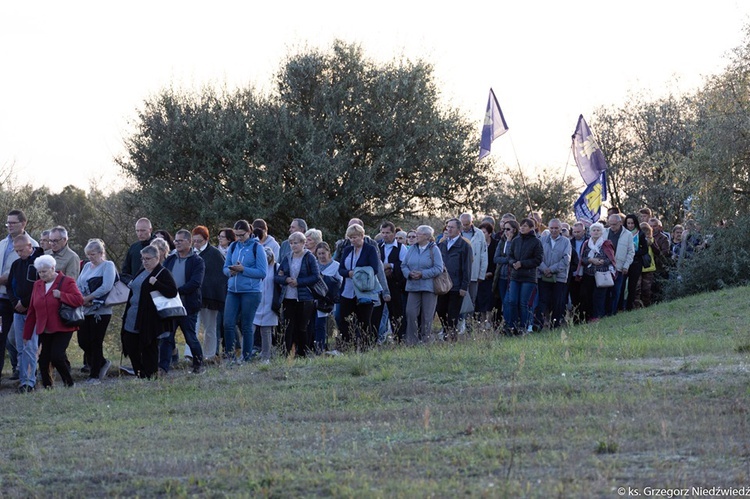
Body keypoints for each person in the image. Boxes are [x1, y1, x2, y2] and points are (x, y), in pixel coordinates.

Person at [23, 254, 84, 388]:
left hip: (62, 326)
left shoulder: (67, 281)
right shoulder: (37, 285)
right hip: (44, 328)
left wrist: (61, 295)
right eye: (39, 272)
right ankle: (48, 387)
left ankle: (69, 383)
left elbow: (79, 300)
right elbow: (32, 310)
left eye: (44, 271)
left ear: (53, 268)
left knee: (57, 356)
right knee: (43, 360)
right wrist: (27, 334)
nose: (41, 275)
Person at [121, 245, 178, 378]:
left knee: (149, 347)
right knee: (130, 343)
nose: (145, 261)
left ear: (157, 258)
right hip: (133, 315)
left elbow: (172, 292)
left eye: (148, 259)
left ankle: (150, 376)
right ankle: (140, 373)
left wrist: (157, 283)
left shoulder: (163, 273)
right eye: (143, 259)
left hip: (150, 319)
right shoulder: (142, 271)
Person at [0, 209, 39, 383]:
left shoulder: (34, 247)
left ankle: (27, 375)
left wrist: (22, 301)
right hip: (3, 297)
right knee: (4, 338)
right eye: (7, 223)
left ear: (23, 223)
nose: (9, 226)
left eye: (13, 222)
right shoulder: (2, 244)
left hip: (23, 302)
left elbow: (32, 281)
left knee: (23, 341)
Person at [162, 229, 206, 374]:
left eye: (180, 241)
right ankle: (163, 368)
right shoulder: (170, 259)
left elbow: (195, 283)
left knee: (190, 337)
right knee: (167, 338)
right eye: (176, 241)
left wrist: (176, 291)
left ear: (189, 242)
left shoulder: (197, 261)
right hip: (170, 305)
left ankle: (198, 365)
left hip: (187, 306)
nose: (177, 243)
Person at [223, 220, 267, 362]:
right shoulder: (233, 246)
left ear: (249, 233)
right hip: (233, 290)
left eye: (241, 235)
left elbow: (262, 272)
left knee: (246, 325)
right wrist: (230, 272)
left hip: (251, 291)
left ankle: (246, 357)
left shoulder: (257, 247)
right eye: (236, 235)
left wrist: (244, 270)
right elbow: (225, 267)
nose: (239, 238)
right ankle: (230, 356)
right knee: (228, 323)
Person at [76, 239, 117, 384]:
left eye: (93, 254)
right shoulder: (87, 266)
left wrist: (89, 298)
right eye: (88, 254)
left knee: (95, 341)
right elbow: (78, 283)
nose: (90, 257)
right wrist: (80, 298)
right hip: (85, 310)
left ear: (101, 253)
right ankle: (102, 362)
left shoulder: (108, 266)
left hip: (101, 310)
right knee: (83, 341)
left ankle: (94, 375)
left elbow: (106, 286)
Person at [8, 234, 44, 392]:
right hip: (18, 311)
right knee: (20, 346)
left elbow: (41, 286)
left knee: (30, 346)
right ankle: (24, 380)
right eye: (16, 251)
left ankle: (29, 381)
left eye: (21, 250)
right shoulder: (16, 265)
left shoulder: (39, 263)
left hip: (33, 310)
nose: (19, 253)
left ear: (30, 247)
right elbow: (10, 286)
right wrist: (15, 302)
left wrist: (25, 302)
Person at [275, 232, 320, 357]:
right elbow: (277, 276)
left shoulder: (309, 257)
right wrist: (286, 279)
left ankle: (302, 353)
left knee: (302, 327)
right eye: (291, 243)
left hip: (304, 297)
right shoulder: (287, 257)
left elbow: (315, 276)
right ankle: (285, 353)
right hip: (288, 296)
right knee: (288, 326)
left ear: (303, 243)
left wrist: (299, 282)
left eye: (296, 243)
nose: (293, 246)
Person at [338, 224, 382, 349]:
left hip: (364, 290)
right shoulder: (347, 250)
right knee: (345, 320)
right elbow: (341, 269)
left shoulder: (370, 249)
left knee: (364, 321)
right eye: (350, 238)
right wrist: (348, 273)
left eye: (355, 237)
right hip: (347, 290)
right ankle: (347, 346)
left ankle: (365, 347)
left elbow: (374, 269)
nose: (353, 240)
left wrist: (356, 273)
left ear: (362, 236)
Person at [401, 225, 443, 345]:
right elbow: (403, 265)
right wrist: (409, 274)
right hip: (413, 286)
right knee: (410, 312)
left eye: (418, 234)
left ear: (427, 236)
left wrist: (422, 274)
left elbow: (438, 268)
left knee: (427, 315)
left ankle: (426, 340)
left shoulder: (434, 249)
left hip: (429, 287)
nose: (416, 235)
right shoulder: (412, 249)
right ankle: (411, 340)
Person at [191, 226, 226, 362]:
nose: (196, 244)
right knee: (192, 326)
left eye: (199, 241)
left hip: (210, 297)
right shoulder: (190, 254)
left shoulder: (215, 254)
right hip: (193, 296)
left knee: (210, 327)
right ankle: (191, 355)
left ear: (206, 239)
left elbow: (220, 276)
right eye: (194, 241)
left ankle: (210, 354)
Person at [503, 218, 543, 335]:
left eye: (525, 226)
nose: (522, 228)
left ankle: (524, 327)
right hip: (515, 277)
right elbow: (509, 255)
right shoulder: (516, 240)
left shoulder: (536, 242)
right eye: (521, 226)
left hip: (528, 277)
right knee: (512, 301)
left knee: (524, 303)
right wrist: (513, 262)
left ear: (531, 228)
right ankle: (512, 326)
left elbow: (538, 259)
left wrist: (523, 263)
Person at [371, 221, 407, 343]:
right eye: (383, 232)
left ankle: (399, 339)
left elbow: (403, 265)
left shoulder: (401, 248)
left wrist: (390, 265)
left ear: (393, 233)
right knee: (376, 313)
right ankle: (373, 339)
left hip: (394, 284)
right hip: (378, 284)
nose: (385, 235)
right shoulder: (377, 246)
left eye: (388, 233)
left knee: (396, 313)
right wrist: (383, 268)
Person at [437, 218, 472, 341]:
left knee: (453, 313)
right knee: (440, 310)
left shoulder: (464, 246)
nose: (449, 229)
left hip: (456, 285)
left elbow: (467, 267)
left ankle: (451, 336)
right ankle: (446, 330)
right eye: (448, 227)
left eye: (452, 227)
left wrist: (464, 286)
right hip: (443, 284)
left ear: (459, 230)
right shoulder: (442, 244)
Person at [535, 219, 571, 329]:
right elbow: (537, 256)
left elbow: (566, 259)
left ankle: (555, 324)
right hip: (543, 275)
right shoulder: (542, 239)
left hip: (559, 277)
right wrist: (544, 268)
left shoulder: (566, 242)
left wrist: (552, 269)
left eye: (556, 228)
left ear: (560, 229)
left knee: (558, 301)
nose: (554, 230)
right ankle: (539, 324)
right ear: (548, 228)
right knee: (543, 300)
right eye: (552, 228)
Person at [580, 222, 616, 321]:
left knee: (599, 297)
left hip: (602, 274)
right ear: (590, 232)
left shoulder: (606, 243)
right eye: (594, 230)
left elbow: (611, 259)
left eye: (598, 230)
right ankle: (589, 317)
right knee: (588, 296)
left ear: (602, 232)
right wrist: (591, 260)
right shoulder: (586, 244)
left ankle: (599, 316)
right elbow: (582, 259)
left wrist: (602, 261)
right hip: (589, 274)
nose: (596, 232)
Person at [604, 214, 634, 316]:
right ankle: (606, 312)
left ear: (620, 223)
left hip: (619, 267)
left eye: (614, 224)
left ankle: (613, 312)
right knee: (606, 291)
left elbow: (631, 252)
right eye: (610, 224)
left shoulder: (628, 234)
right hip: (605, 267)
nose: (612, 226)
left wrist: (626, 266)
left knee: (616, 291)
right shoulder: (605, 232)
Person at [314, 242, 341, 353]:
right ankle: (318, 347)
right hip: (317, 299)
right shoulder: (315, 265)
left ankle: (331, 346)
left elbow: (340, 282)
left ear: (328, 252)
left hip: (330, 299)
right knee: (317, 324)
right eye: (319, 253)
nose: (321, 256)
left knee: (330, 322)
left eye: (323, 253)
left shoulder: (336, 266)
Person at [254, 247, 279, 363]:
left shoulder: (276, 267)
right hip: (257, 301)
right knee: (252, 328)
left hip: (270, 302)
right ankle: (250, 352)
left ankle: (266, 355)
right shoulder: (256, 267)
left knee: (266, 329)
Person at [493, 219, 519, 329]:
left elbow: (512, 256)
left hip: (513, 276)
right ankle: (507, 324)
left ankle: (511, 324)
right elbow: (496, 258)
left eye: (508, 229)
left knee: (510, 302)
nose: (505, 232)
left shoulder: (517, 241)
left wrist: (509, 242)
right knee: (504, 301)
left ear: (514, 229)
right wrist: (507, 260)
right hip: (502, 276)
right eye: (504, 229)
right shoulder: (501, 241)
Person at [623, 214, 649, 311]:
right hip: (624, 262)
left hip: (636, 263)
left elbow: (645, 249)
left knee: (632, 286)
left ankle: (630, 306)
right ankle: (621, 306)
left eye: (632, 223)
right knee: (622, 285)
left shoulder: (640, 234)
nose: (630, 225)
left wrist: (634, 253)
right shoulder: (623, 233)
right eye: (628, 223)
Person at [475, 222, 498, 327]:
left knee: (490, 299)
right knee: (480, 300)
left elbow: (496, 261)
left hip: (491, 277)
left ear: (489, 233)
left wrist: (491, 272)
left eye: (484, 232)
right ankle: (482, 321)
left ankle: (489, 321)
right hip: (479, 277)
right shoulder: (477, 244)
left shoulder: (496, 244)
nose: (482, 234)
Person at [121, 218, 156, 284]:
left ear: (150, 230)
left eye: (143, 231)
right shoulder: (133, 247)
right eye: (137, 231)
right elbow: (125, 271)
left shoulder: (158, 246)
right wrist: (130, 282)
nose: (140, 234)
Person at [639, 222, 658, 307]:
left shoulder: (652, 240)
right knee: (637, 289)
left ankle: (646, 305)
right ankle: (637, 306)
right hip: (638, 268)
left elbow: (658, 252)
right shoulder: (636, 240)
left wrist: (651, 244)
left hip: (649, 268)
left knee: (646, 289)